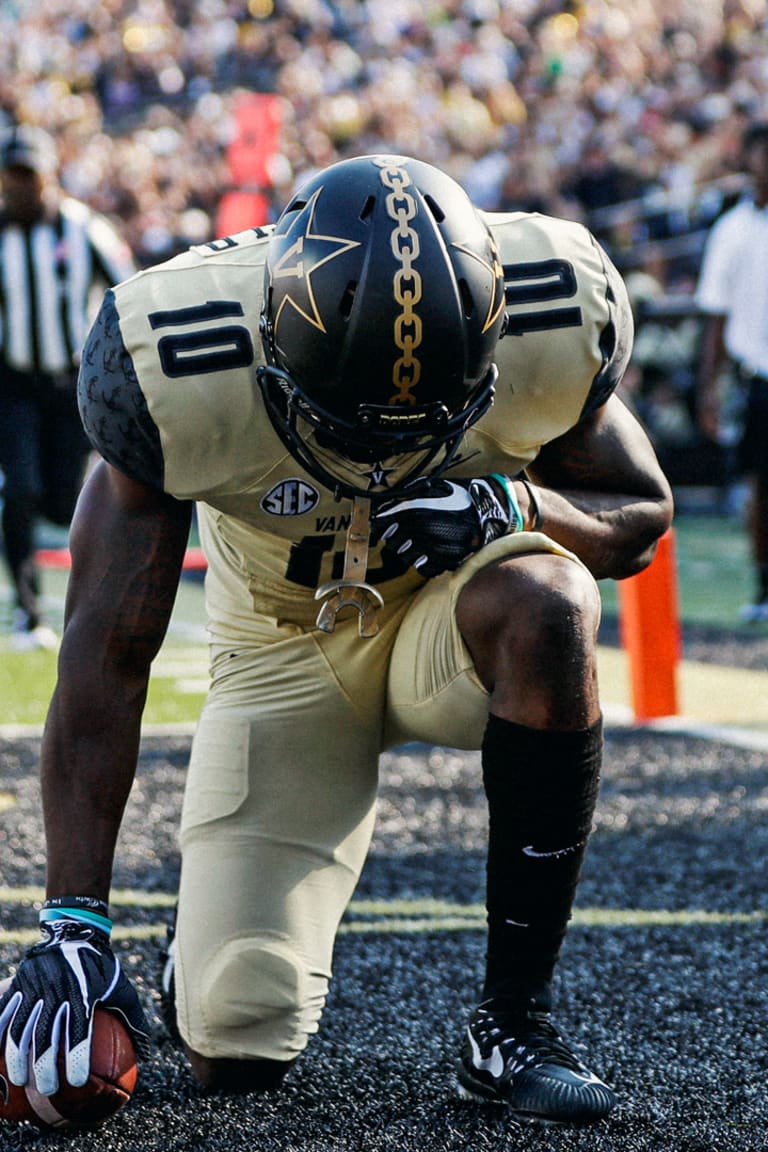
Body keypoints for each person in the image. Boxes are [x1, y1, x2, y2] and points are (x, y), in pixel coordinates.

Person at [0, 155, 672, 1126]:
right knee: (235, 1044)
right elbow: (106, 653)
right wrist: (75, 919)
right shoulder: (172, 356)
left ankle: (513, 1025)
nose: (382, 455)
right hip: (283, 646)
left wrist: (511, 501)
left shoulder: (553, 301)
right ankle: (201, 962)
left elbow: (641, 513)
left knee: (550, 599)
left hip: (456, 617)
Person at [0, 123, 136, 649]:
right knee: (22, 488)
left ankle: (74, 606)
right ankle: (28, 612)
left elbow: (127, 291)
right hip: (12, 382)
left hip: (70, 384)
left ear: (48, 178)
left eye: (25, 177)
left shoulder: (84, 230)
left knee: (65, 501)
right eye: (9, 177)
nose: (16, 188)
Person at [696, 120, 768, 621]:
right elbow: (715, 315)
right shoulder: (733, 229)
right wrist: (709, 388)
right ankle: (763, 588)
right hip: (756, 374)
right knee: (759, 486)